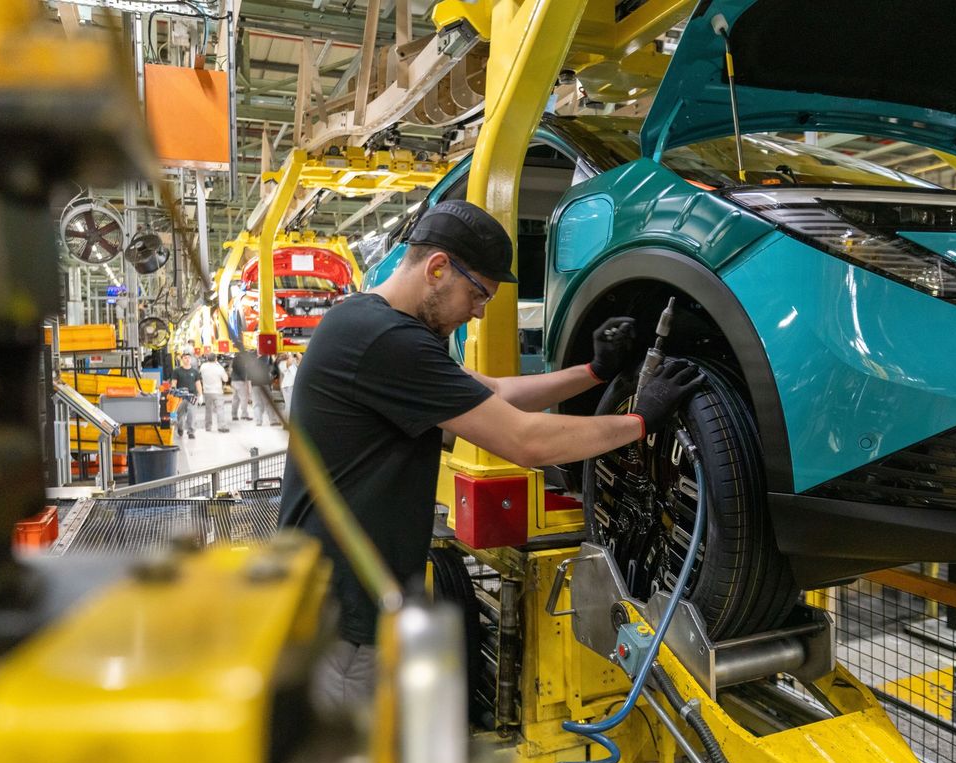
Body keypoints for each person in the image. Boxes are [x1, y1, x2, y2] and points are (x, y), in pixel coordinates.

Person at [277, 200, 702, 709]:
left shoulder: (369, 324)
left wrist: (594, 371)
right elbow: (523, 439)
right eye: (478, 294)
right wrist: (639, 422)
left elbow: (497, 393)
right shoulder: (387, 341)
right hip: (342, 615)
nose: (479, 312)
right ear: (438, 269)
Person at [171, 353, 202, 439]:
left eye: (189, 358)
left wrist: (200, 395)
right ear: (182, 360)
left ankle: (191, 432)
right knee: (180, 416)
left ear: (191, 360)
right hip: (181, 396)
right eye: (185, 358)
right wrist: (173, 389)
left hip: (192, 396)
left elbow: (198, 384)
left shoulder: (195, 372)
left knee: (192, 414)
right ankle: (180, 428)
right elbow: (174, 382)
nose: (187, 359)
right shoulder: (177, 371)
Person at [199, 354, 230, 433]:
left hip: (207, 392)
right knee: (220, 409)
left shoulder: (203, 366)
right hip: (217, 392)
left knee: (208, 410)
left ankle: (208, 427)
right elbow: (225, 379)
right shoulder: (219, 368)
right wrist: (218, 364)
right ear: (216, 359)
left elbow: (200, 375)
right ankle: (221, 426)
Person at [252, 353, 279, 426]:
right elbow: (272, 370)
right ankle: (272, 421)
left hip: (255, 384)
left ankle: (258, 421)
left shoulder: (252, 357)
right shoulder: (266, 357)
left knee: (257, 403)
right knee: (268, 403)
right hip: (264, 382)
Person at [230, 353, 252, 421]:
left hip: (234, 381)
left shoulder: (234, 360)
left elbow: (231, 370)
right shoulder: (242, 360)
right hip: (240, 381)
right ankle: (244, 415)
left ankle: (234, 415)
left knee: (235, 399)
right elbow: (244, 371)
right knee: (244, 398)